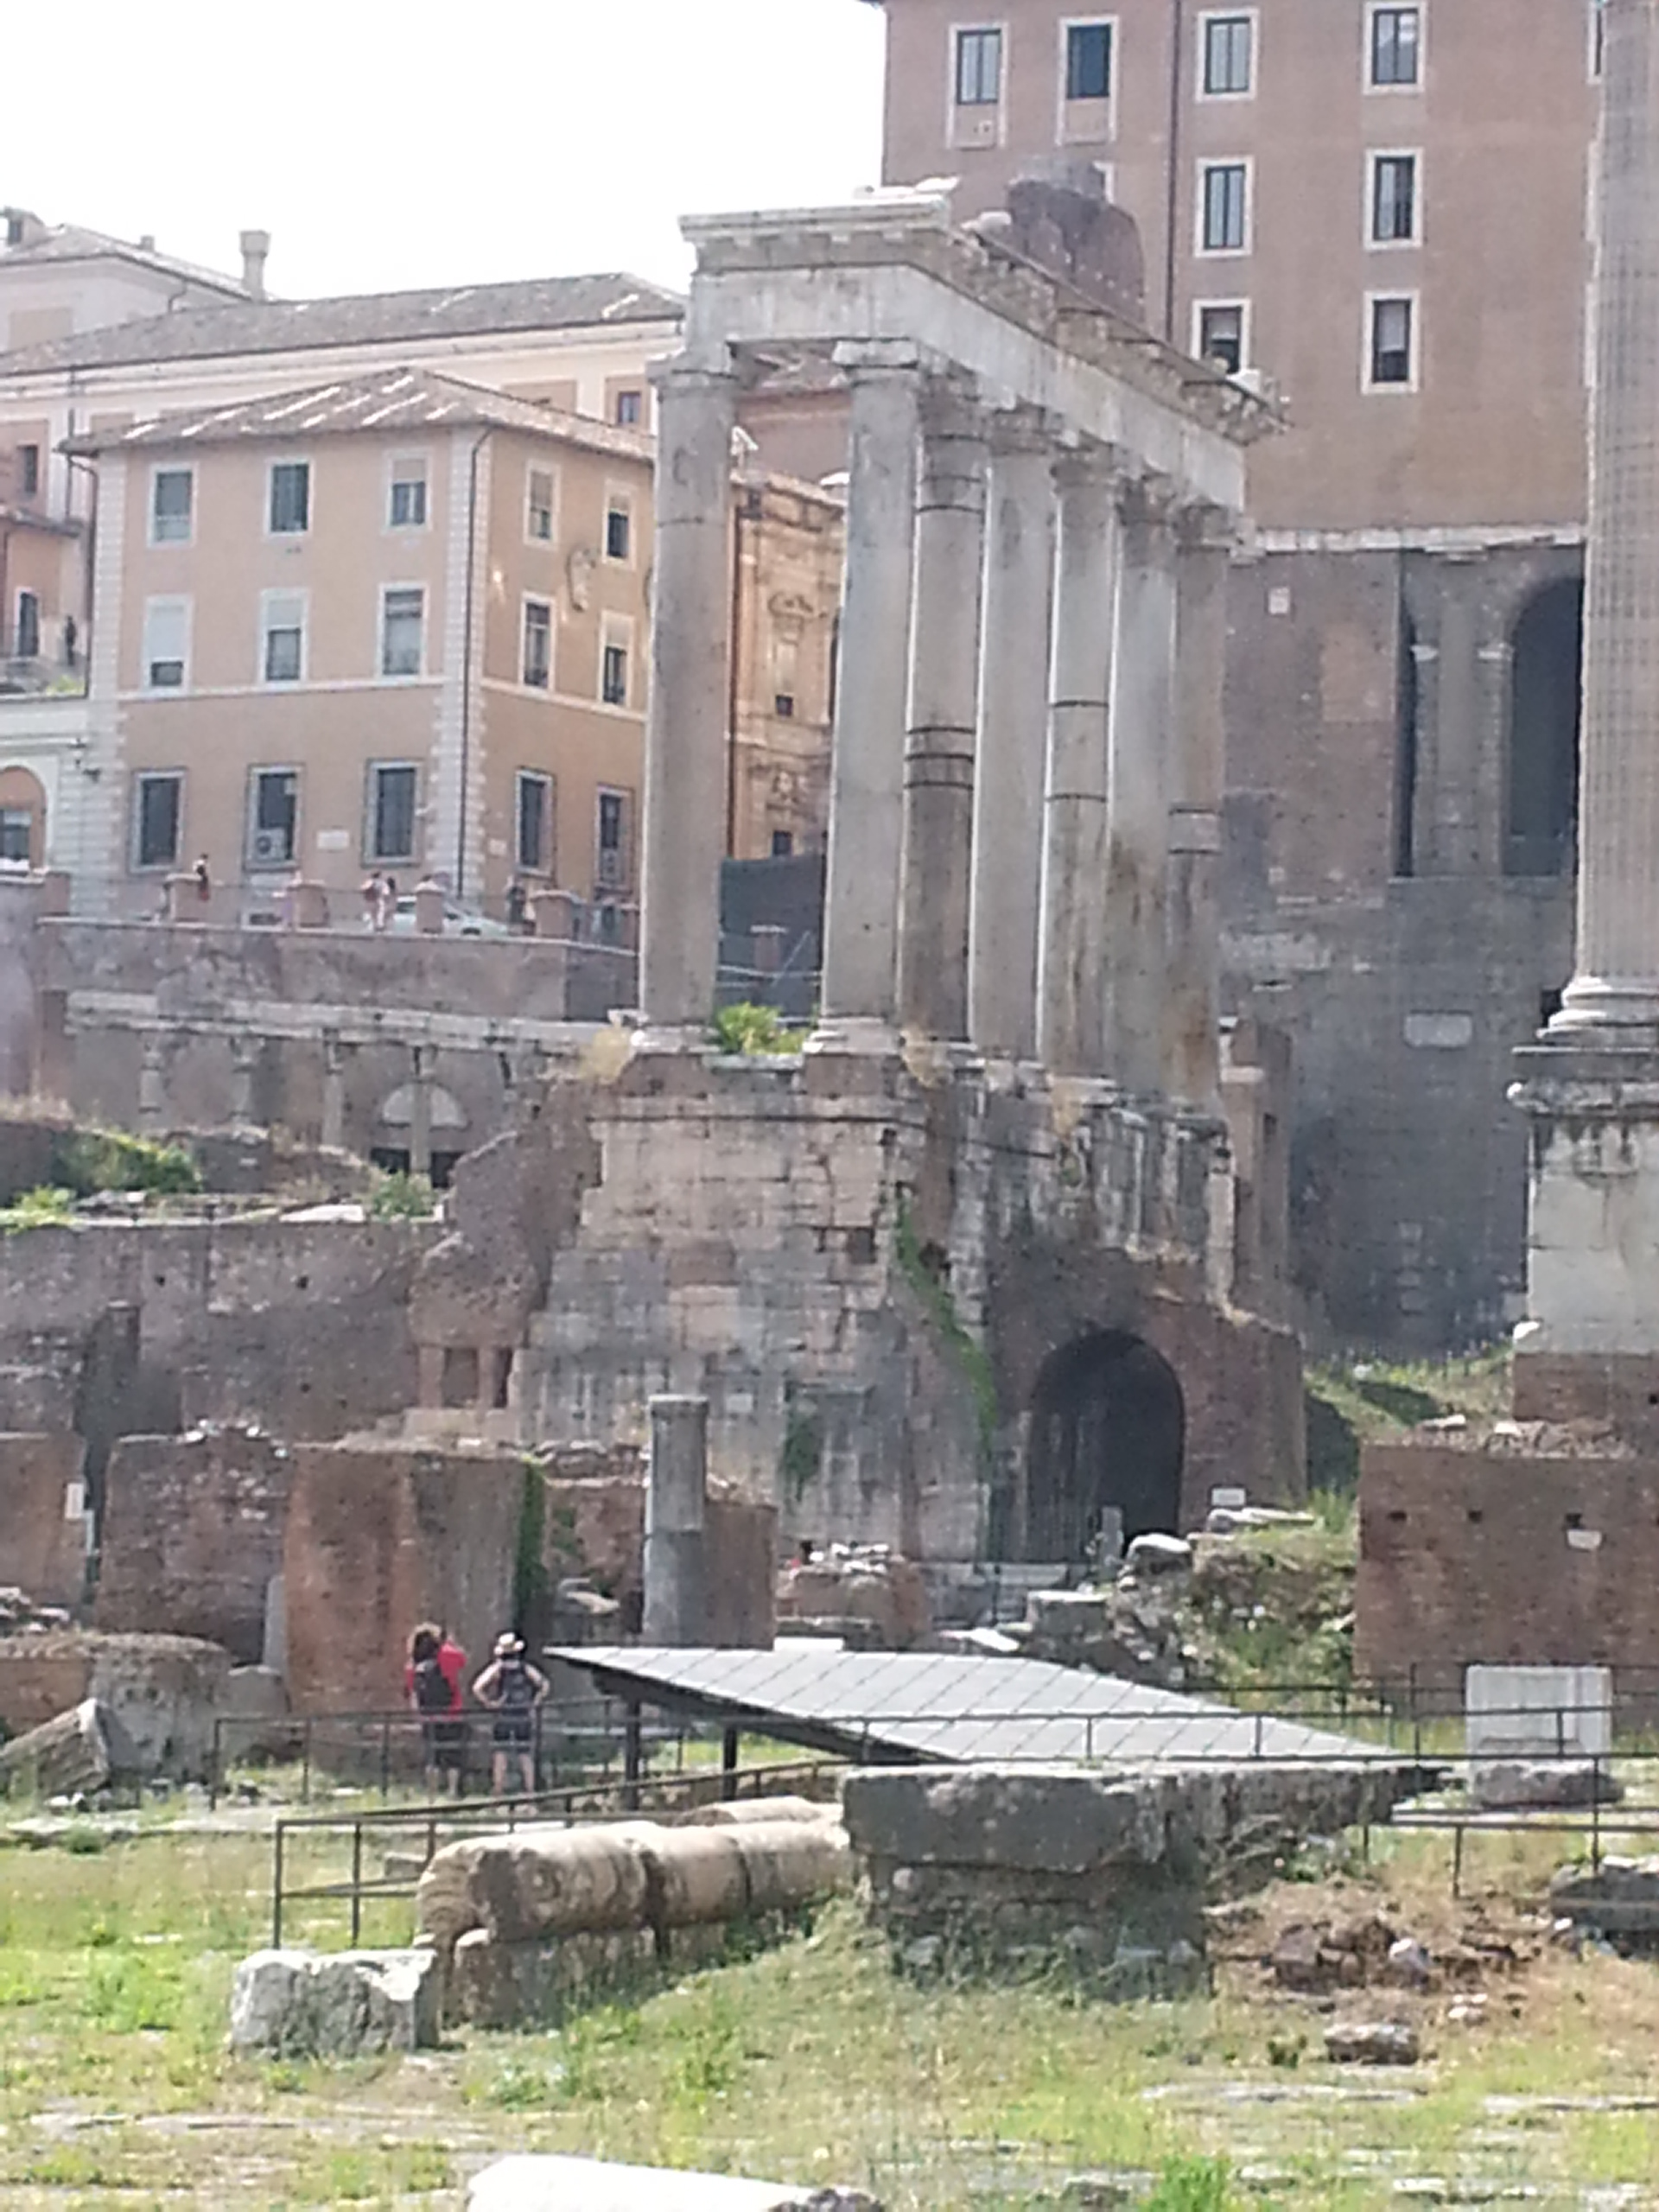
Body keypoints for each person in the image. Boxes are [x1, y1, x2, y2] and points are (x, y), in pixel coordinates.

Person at [471, 1631, 548, 1799]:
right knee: (525, 1755)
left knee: (500, 1754)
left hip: (503, 1714)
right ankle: (530, 1794)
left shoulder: (498, 1668)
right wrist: (534, 1703)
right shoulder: (525, 1668)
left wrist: (490, 1703)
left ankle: (498, 1793)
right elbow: (544, 1685)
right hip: (522, 1714)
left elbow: (477, 1688)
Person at [404, 1620, 467, 1797]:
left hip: (428, 1716)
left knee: (432, 1756)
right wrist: (449, 1642)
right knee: (453, 1754)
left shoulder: (413, 1666)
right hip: (451, 1713)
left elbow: (413, 1694)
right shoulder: (446, 1655)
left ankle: (432, 1793)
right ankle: (452, 1791)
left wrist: (418, 1716)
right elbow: (462, 1660)